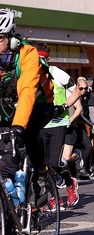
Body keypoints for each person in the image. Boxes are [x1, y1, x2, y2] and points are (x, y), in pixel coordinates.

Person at [0, 11, 55, 209]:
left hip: (41, 103)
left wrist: (18, 126)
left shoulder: (27, 53)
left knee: (28, 131)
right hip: (8, 104)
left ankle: (40, 176)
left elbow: (27, 91)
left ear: (12, 38)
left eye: (0, 38)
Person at [36, 42, 83, 207]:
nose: (40, 62)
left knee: (55, 162)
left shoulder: (57, 73)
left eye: (44, 59)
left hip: (58, 122)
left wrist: (64, 106)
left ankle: (70, 184)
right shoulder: (30, 74)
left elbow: (77, 90)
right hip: (40, 125)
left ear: (48, 59)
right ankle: (53, 197)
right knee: (42, 165)